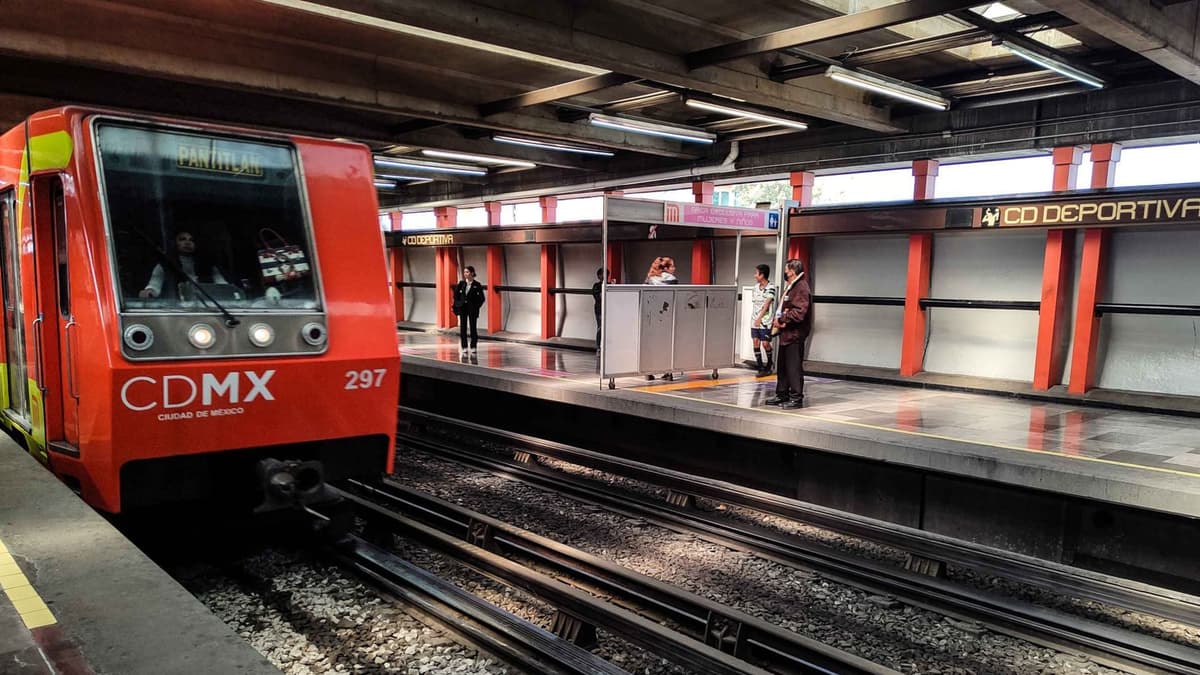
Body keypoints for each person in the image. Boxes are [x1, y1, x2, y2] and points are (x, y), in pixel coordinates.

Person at [765, 259, 811, 409]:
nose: (784, 272)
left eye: (786, 269)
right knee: (783, 367)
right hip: (786, 334)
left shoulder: (801, 287)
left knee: (793, 367)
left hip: (794, 334)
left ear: (792, 271)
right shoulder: (792, 286)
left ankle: (796, 398)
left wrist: (783, 318)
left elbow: (799, 312)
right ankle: (782, 394)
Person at [139, 230, 227, 299]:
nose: (187, 242)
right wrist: (149, 291)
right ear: (175, 243)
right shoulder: (165, 264)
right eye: (182, 239)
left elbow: (223, 286)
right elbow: (154, 284)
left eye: (191, 240)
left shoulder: (208, 266)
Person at [750, 264, 776, 376]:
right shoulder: (755, 288)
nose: (754, 275)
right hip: (754, 319)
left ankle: (770, 363)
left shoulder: (771, 287)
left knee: (765, 343)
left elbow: (766, 304)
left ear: (762, 275)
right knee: (756, 342)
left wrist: (760, 318)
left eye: (756, 273)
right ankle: (760, 367)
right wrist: (755, 318)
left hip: (765, 320)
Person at [453, 266, 485, 354]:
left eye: (467, 272)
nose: (465, 274)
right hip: (463, 308)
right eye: (464, 272)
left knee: (473, 328)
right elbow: (456, 296)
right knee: (463, 328)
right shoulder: (461, 284)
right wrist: (459, 304)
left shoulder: (477, 285)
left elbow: (482, 298)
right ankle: (464, 346)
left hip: (472, 309)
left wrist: (476, 306)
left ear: (472, 273)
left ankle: (473, 346)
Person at [592, 267, 612, 351]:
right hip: (599, 309)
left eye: (606, 274)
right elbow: (598, 297)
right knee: (600, 327)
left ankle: (608, 344)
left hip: (609, 309)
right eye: (602, 274)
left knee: (609, 327)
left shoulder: (610, 285)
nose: (604, 276)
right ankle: (598, 346)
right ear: (598, 276)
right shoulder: (596, 286)